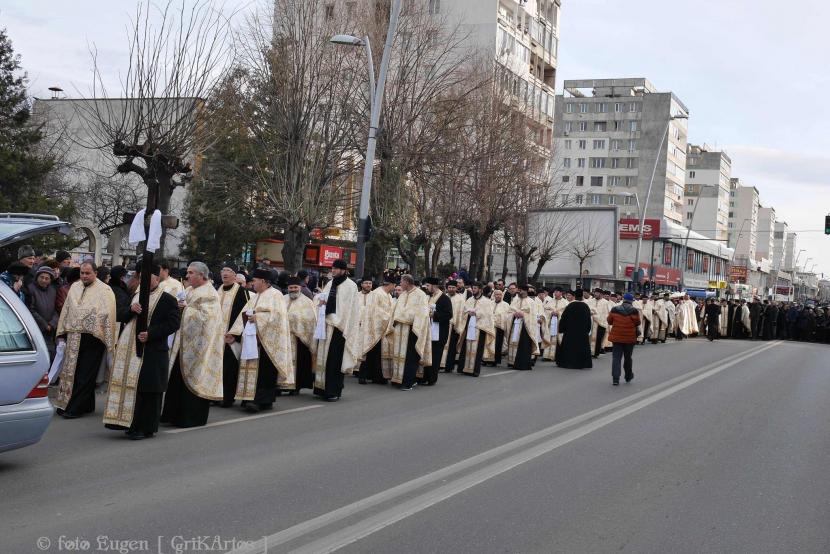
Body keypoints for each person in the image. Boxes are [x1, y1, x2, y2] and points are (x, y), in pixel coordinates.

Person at [103, 264, 180, 439]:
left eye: (148, 277)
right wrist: (131, 310)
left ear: (157, 278)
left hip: (153, 350)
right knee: (135, 388)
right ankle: (131, 424)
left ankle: (146, 428)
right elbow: (121, 315)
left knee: (149, 389)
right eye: (142, 277)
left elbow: (173, 323)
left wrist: (151, 334)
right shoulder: (136, 295)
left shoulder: (167, 299)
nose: (144, 280)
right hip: (131, 350)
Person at [161, 262, 225, 427]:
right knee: (177, 379)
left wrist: (186, 309)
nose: (187, 275)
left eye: (191, 273)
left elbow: (207, 319)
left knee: (194, 380)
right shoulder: (189, 290)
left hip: (199, 347)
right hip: (183, 344)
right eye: (187, 272)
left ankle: (190, 418)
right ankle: (172, 415)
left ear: (201, 275)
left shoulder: (210, 294)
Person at [53, 261, 118, 418]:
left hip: (93, 338)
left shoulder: (105, 290)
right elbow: (67, 309)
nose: (84, 276)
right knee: (71, 373)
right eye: (82, 273)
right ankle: (75, 404)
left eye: (87, 273)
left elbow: (108, 314)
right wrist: (62, 332)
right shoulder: (75, 287)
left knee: (85, 374)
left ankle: (75, 408)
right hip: (73, 336)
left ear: (95, 273)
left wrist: (91, 322)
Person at [227, 268, 292, 412]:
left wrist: (258, 318)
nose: (252, 283)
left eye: (255, 281)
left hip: (267, 342)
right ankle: (249, 398)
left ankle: (261, 400)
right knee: (251, 370)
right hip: (252, 340)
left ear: (263, 281)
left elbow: (278, 317)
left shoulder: (276, 295)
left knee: (265, 372)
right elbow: (243, 315)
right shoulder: (255, 296)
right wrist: (234, 333)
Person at [314, 259, 361, 401]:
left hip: (340, 328)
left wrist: (342, 324)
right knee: (324, 358)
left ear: (344, 270)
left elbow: (351, 309)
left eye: (336, 268)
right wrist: (321, 303)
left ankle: (333, 391)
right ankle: (321, 388)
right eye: (332, 268)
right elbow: (323, 300)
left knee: (335, 360)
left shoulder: (351, 286)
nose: (333, 270)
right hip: (326, 325)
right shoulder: (330, 283)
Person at [385, 275, 431, 391]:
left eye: (401, 282)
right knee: (398, 355)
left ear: (407, 282)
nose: (400, 284)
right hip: (399, 329)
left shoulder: (420, 295)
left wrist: (411, 322)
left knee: (410, 357)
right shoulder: (403, 295)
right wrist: (394, 321)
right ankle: (398, 379)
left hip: (412, 329)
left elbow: (423, 313)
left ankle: (408, 382)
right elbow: (396, 310)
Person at [216, 262, 250, 407]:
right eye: (223, 270)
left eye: (228, 270)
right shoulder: (217, 290)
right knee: (217, 367)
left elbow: (246, 314)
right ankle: (216, 395)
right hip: (217, 337)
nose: (225, 273)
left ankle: (228, 397)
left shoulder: (242, 292)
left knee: (229, 369)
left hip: (232, 338)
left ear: (235, 275)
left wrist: (234, 335)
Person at [357, 276, 395, 385]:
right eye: (394, 285)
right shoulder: (377, 293)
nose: (395, 287)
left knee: (377, 354)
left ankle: (377, 377)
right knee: (368, 351)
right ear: (390, 285)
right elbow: (375, 310)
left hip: (382, 328)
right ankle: (362, 376)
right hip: (373, 327)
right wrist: (390, 318)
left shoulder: (388, 295)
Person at [456, 282, 496, 377]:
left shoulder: (486, 301)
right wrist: (468, 312)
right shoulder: (469, 300)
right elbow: (463, 312)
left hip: (479, 328)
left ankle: (474, 370)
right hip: (469, 326)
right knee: (466, 348)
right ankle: (464, 368)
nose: (473, 290)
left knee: (477, 350)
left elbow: (488, 315)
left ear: (480, 290)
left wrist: (476, 313)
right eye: (473, 288)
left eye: (475, 288)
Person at [285, 276, 317, 393]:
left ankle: (296, 386)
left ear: (300, 287)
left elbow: (311, 320)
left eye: (295, 287)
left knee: (299, 363)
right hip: (284, 337)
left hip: (300, 338)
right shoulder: (282, 299)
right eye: (291, 287)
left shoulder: (307, 302)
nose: (293, 289)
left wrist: (295, 325)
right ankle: (281, 385)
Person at [421, 277, 452, 386]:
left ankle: (431, 379)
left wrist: (434, 315)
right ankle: (423, 377)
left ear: (434, 286)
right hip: (428, 331)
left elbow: (449, 314)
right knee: (426, 355)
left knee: (435, 356)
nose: (426, 288)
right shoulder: (428, 297)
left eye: (428, 286)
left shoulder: (444, 298)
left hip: (439, 333)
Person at [507, 284, 544, 371]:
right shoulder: (515, 300)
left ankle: (522, 363)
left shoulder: (531, 302)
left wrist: (523, 314)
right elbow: (509, 311)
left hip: (525, 327)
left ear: (526, 291)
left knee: (523, 345)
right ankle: (512, 362)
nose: (520, 292)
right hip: (515, 324)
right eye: (519, 290)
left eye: (521, 290)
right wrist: (514, 314)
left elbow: (533, 315)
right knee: (513, 342)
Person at [25, 266, 59, 359]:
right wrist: (44, 324)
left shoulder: (52, 290)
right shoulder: (31, 289)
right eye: (42, 277)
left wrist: (52, 323)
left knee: (51, 353)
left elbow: (55, 309)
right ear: (37, 277)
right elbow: (31, 309)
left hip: (50, 329)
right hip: (37, 328)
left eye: (47, 278)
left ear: (50, 280)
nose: (44, 280)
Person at [606, 293, 640, 385]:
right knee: (628, 358)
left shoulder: (615, 309)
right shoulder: (634, 311)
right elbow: (638, 322)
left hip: (617, 338)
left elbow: (609, 321)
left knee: (616, 358)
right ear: (631, 301)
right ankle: (628, 376)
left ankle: (615, 379)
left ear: (623, 300)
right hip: (629, 338)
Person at [556, 289, 593, 370]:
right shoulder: (585, 307)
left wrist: (562, 328)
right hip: (582, 333)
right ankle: (581, 364)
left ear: (575, 296)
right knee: (580, 347)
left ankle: (567, 363)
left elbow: (564, 318)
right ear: (582, 296)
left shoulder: (570, 306)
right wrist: (587, 330)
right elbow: (588, 320)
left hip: (570, 332)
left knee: (569, 347)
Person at [442, 280, 466, 373]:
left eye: (453, 288)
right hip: (443, 324)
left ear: (456, 288)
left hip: (454, 327)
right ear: (447, 288)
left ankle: (449, 366)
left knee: (451, 347)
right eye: (449, 287)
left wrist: (458, 327)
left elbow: (462, 314)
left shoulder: (460, 299)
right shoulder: (443, 297)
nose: (451, 289)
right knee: (442, 345)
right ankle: (440, 364)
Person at [542, 287, 568, 360]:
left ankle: (558, 356)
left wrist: (558, 313)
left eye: (557, 292)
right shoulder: (550, 301)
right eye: (554, 292)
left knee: (559, 339)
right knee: (550, 337)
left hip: (559, 324)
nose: (555, 293)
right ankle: (547, 356)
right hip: (551, 323)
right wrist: (551, 313)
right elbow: (545, 310)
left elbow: (566, 313)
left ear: (561, 293)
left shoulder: (565, 302)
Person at [585, 288, 611, 358]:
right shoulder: (590, 301)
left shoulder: (606, 302)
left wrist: (597, 317)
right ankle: (589, 352)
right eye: (595, 293)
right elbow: (587, 310)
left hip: (600, 323)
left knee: (598, 338)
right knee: (589, 338)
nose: (595, 294)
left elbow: (607, 313)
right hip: (591, 322)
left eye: (597, 293)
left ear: (601, 294)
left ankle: (596, 353)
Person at [490, 289, 512, 366]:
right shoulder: (490, 303)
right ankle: (487, 359)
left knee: (497, 344)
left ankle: (495, 360)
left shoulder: (506, 305)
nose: (498, 296)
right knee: (489, 343)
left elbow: (507, 316)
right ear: (494, 295)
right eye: (497, 294)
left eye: (500, 294)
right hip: (490, 327)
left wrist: (497, 319)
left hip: (499, 327)